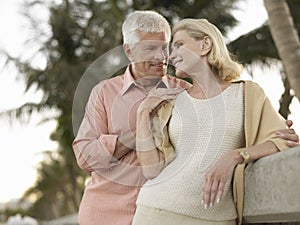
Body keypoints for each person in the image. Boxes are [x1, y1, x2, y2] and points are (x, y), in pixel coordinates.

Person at [133, 18, 299, 225]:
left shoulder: (247, 93)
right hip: (155, 210)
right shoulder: (172, 103)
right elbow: (151, 171)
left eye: (179, 45)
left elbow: (285, 141)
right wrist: (142, 114)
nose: (171, 55)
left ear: (205, 45)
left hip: (216, 217)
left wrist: (234, 156)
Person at [72, 10, 190, 225]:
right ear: (129, 51)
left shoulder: (185, 92)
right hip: (106, 215)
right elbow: (86, 157)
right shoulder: (104, 93)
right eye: (150, 48)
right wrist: (143, 126)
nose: (160, 57)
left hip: (164, 215)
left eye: (164, 47)